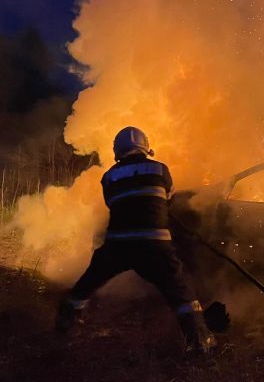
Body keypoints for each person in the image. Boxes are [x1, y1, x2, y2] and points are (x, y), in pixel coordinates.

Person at [55, 126, 216, 354]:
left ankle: (65, 325)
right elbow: (167, 197)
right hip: (155, 244)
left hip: (118, 244)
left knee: (88, 282)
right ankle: (200, 341)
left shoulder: (109, 176)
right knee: (180, 292)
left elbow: (112, 201)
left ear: (117, 150)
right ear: (145, 147)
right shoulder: (160, 169)